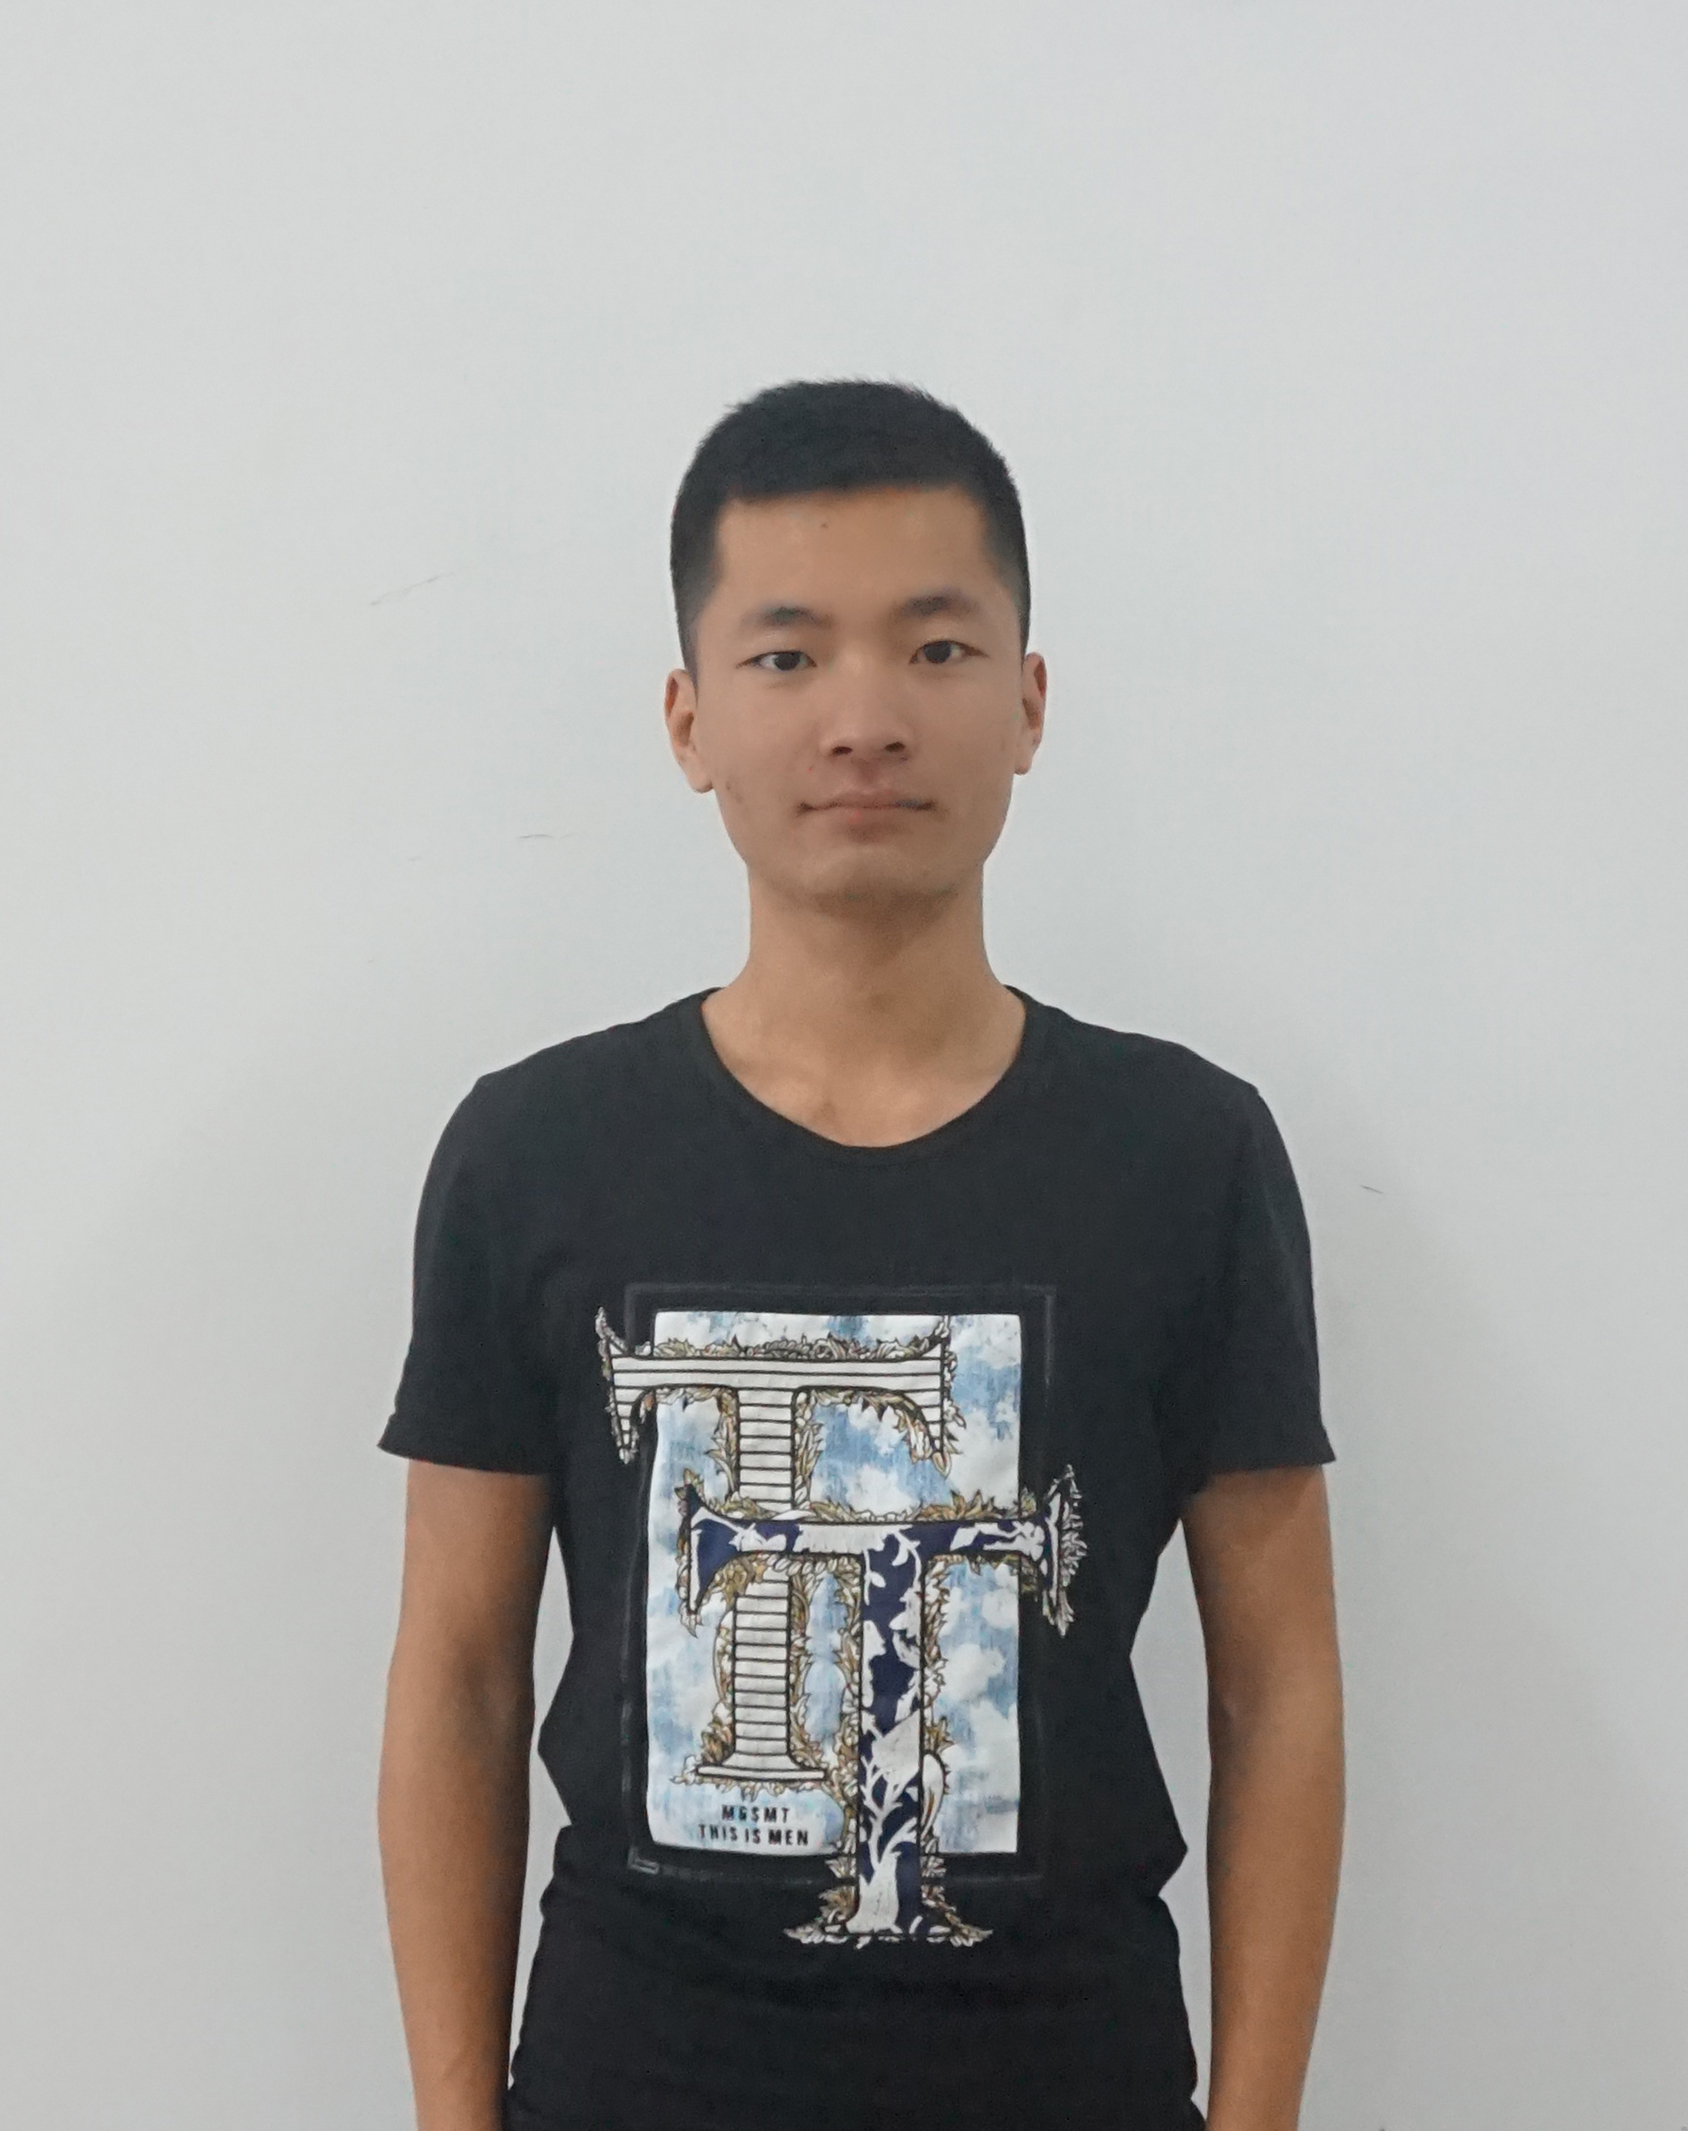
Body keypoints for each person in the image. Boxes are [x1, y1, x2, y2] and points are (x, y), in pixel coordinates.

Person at [376, 379, 1344, 2131]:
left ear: (1029, 702)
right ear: (689, 720)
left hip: (1072, 2077)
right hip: (631, 2079)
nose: (866, 719)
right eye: (788, 655)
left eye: (937, 649)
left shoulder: (1186, 1154)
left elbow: (1277, 1688)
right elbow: (457, 1676)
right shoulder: (535, 1153)